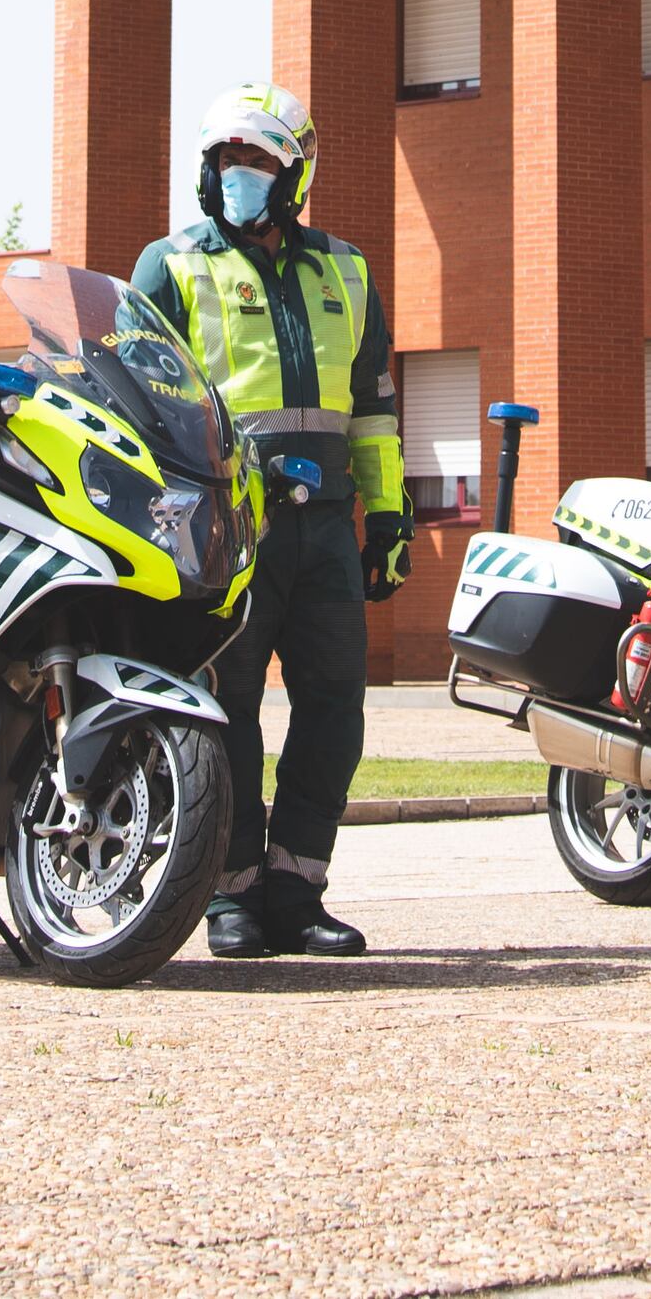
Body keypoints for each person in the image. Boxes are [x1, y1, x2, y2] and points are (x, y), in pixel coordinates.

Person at [123, 83, 401, 960]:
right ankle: (231, 893)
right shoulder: (168, 266)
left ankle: (297, 886)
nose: (240, 175)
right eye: (226, 161)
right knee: (224, 710)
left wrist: (387, 521)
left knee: (334, 710)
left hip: (325, 533)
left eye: (258, 161)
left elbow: (375, 410)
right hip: (223, 530)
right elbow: (138, 401)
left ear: (295, 173)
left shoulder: (346, 271)